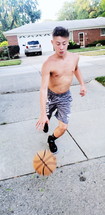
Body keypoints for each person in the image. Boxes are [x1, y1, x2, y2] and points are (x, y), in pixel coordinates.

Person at [36, 26, 87, 153]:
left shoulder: (75, 57)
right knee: (46, 117)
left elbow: (76, 69)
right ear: (52, 43)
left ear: (68, 42)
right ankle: (47, 118)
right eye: (58, 44)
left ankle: (51, 139)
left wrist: (82, 84)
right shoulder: (48, 63)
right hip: (50, 95)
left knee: (63, 127)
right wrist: (42, 114)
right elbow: (43, 89)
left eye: (64, 43)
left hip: (65, 96)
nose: (61, 47)